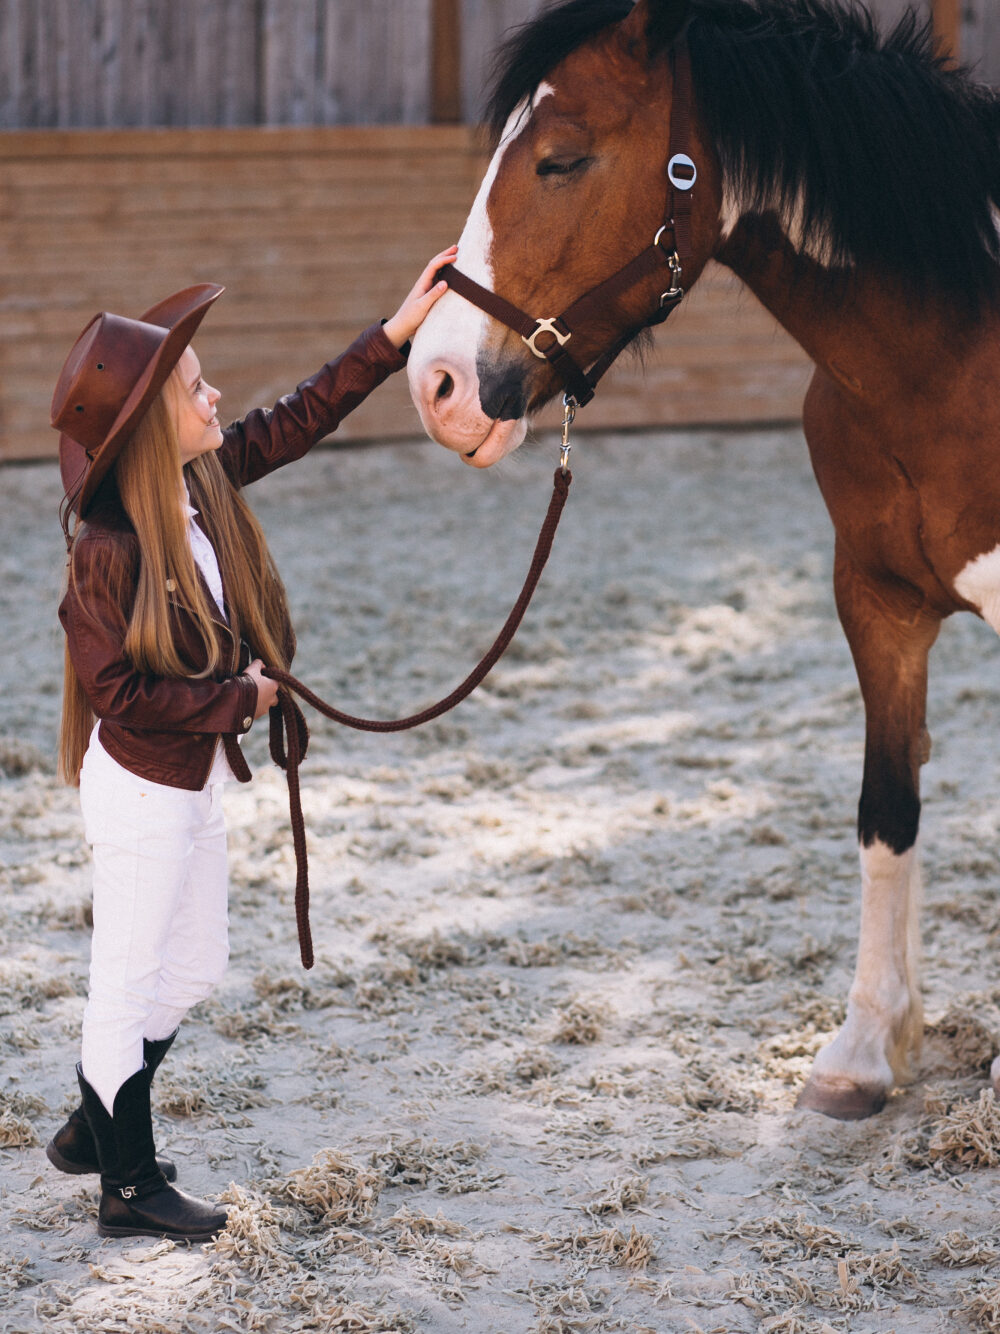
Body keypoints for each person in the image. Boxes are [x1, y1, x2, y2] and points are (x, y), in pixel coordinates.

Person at [45, 246, 457, 1242]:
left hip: (188, 787)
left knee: (192, 970)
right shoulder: (108, 545)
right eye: (193, 386)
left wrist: (396, 336)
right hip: (141, 791)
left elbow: (299, 416)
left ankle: (96, 1121)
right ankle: (127, 1184)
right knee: (127, 982)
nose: (215, 389)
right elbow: (114, 689)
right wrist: (236, 697)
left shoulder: (200, 486)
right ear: (152, 420)